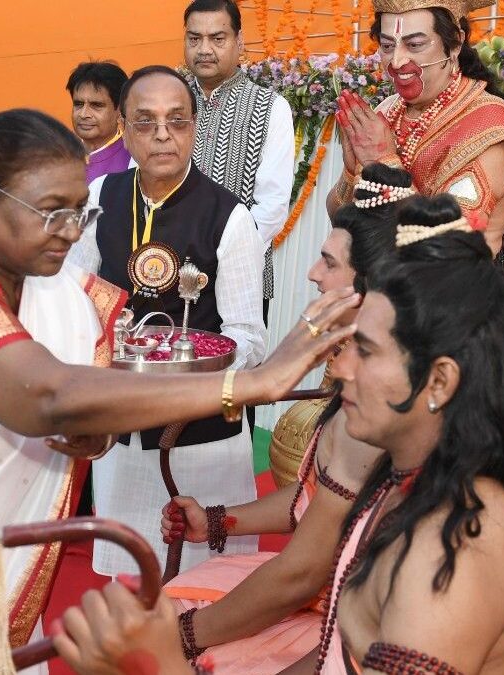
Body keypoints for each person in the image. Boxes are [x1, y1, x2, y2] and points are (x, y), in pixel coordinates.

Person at [0, 108, 358, 675]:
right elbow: (46, 399)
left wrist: (95, 431)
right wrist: (251, 384)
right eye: (49, 212)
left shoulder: (58, 291)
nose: (67, 230)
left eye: (77, 213)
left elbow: (83, 406)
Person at [50, 195, 504, 675]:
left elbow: (308, 589)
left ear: (439, 381)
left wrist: (167, 662)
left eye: (363, 350)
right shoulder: (406, 490)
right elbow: (329, 657)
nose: (340, 368)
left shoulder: (450, 560)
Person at [159, 164, 411, 674]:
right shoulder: (358, 381)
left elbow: (303, 574)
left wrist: (185, 638)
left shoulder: (372, 413)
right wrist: (213, 520)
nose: (313, 273)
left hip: (346, 620)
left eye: (328, 262)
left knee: (159, 634)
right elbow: (307, 503)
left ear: (368, 286)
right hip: (317, 595)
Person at [67, 65, 267, 577]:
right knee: (126, 579)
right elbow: (70, 294)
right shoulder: (100, 197)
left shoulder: (229, 216)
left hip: (201, 438)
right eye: (146, 121)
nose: (162, 135)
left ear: (195, 126)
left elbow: (249, 338)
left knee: (202, 590)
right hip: (124, 432)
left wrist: (182, 363)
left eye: (177, 121)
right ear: (125, 129)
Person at [326, 0, 504, 265]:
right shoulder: (389, 109)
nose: (396, 61)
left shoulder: (487, 121)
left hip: (458, 299)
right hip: (385, 290)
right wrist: (352, 172)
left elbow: (452, 248)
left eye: (415, 44)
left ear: (455, 43)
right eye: (387, 46)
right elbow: (341, 220)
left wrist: (384, 164)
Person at [183, 0, 295, 324]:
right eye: (194, 38)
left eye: (217, 39)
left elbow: (272, 206)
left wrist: (222, 255)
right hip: (168, 271)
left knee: (233, 373)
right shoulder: (169, 102)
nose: (204, 49)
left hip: (240, 281)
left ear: (239, 41)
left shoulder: (270, 107)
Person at [67, 61, 132, 182]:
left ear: (119, 109)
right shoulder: (57, 156)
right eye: (78, 104)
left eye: (96, 105)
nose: (83, 114)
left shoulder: (135, 161)